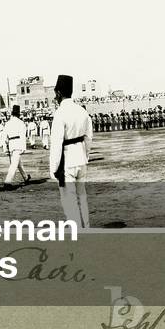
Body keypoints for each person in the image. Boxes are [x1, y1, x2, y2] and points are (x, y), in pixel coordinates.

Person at [48, 74, 94, 229]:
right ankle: (86, 228)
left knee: (69, 200)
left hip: (67, 161)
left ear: (59, 93)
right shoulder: (82, 111)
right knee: (82, 197)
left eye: (56, 93)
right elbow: (89, 138)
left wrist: (54, 168)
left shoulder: (60, 113)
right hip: (81, 158)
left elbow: (56, 143)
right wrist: (85, 155)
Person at [3, 105, 30, 187]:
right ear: (18, 114)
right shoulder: (21, 123)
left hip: (11, 143)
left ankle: (25, 177)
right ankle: (8, 181)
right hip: (18, 143)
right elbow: (22, 136)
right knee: (14, 164)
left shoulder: (7, 123)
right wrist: (23, 147)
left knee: (17, 162)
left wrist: (5, 146)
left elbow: (4, 136)